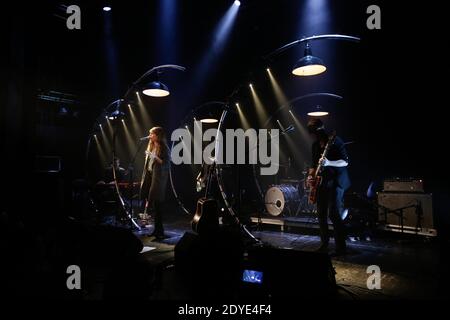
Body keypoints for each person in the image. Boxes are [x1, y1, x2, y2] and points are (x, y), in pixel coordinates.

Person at [306, 118, 351, 255]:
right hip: (322, 182)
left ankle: (340, 247)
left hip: (336, 182)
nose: (315, 135)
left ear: (321, 130)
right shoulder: (315, 145)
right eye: (312, 133)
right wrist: (310, 176)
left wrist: (329, 162)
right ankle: (324, 244)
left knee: (333, 213)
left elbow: (345, 162)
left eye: (316, 132)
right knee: (320, 214)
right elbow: (313, 165)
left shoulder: (335, 141)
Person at [140, 127, 170, 240]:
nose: (150, 135)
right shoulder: (151, 146)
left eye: (152, 133)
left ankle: (159, 231)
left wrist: (155, 157)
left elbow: (166, 163)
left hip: (158, 180)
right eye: (150, 133)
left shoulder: (163, 147)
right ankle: (157, 230)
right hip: (150, 177)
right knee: (153, 204)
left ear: (158, 135)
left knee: (157, 205)